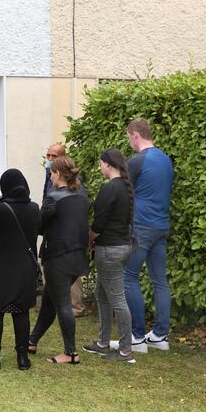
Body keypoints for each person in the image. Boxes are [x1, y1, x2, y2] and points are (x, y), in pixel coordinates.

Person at [0, 169, 40, 370]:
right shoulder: (34, 208)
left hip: (0, 267)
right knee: (21, 312)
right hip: (24, 268)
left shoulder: (0, 209)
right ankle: (22, 358)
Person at [28, 156, 89, 364]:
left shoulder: (53, 198)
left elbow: (38, 226)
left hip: (57, 257)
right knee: (49, 300)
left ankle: (71, 353)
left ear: (57, 174)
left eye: (51, 173)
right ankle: (32, 341)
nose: (50, 176)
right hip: (78, 257)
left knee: (62, 303)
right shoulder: (82, 196)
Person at [121, 118, 174, 353]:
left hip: (141, 226)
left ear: (135, 135)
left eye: (128, 137)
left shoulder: (137, 160)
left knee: (128, 277)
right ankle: (160, 336)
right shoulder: (165, 159)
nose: (129, 142)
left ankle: (137, 336)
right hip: (161, 225)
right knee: (159, 280)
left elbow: (123, 190)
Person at [82, 148, 136, 363]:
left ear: (107, 164)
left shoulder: (109, 189)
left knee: (117, 299)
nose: (99, 167)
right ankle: (103, 342)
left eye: (100, 163)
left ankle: (125, 351)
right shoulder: (125, 186)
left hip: (110, 250)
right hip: (123, 246)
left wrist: (89, 240)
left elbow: (99, 223)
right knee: (102, 293)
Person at [44, 143, 86, 317]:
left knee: (69, 276)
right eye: (48, 155)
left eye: (54, 156)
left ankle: (75, 307)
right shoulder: (50, 176)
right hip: (53, 231)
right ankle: (53, 306)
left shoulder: (75, 184)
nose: (50, 159)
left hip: (69, 238)